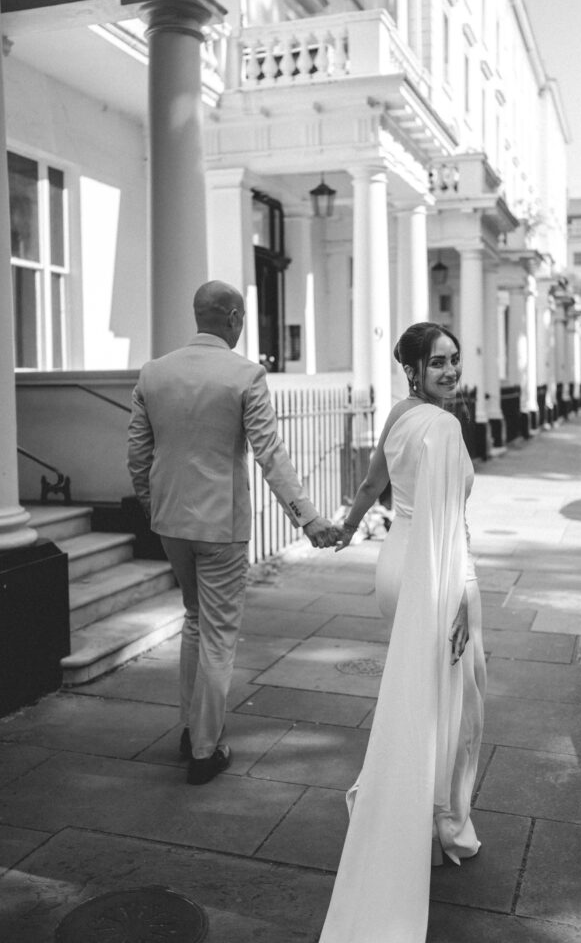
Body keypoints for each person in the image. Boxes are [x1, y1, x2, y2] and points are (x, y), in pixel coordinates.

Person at [127, 281, 336, 786]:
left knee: (194, 619)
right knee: (218, 636)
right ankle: (205, 749)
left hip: (171, 521)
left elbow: (138, 454)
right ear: (235, 318)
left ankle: (190, 729)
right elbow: (270, 455)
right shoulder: (245, 374)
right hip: (221, 525)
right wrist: (307, 518)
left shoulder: (154, 373)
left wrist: (155, 507)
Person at [318, 322, 486, 943]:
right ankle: (434, 820)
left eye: (454, 360)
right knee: (457, 706)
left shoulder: (398, 414)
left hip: (396, 564)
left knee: (422, 694)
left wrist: (347, 527)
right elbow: (449, 522)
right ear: (413, 369)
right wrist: (462, 594)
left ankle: (409, 807)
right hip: (438, 573)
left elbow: (371, 485)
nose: (450, 370)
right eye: (437, 362)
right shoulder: (443, 426)